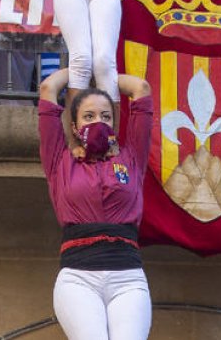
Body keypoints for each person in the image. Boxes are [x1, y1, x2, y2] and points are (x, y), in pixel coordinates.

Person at [38, 69, 154, 340]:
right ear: (75, 127)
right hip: (79, 278)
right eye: (88, 117)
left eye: (106, 116)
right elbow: (48, 89)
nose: (98, 122)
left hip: (128, 278)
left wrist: (104, 72)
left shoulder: (131, 156)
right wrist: (81, 69)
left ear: (114, 123)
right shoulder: (60, 160)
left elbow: (141, 88)